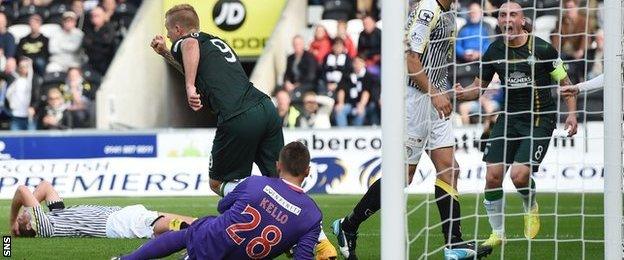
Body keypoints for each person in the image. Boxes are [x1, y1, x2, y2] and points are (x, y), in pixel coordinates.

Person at [332, 0, 492, 259]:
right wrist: (434, 93)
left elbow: (436, 58)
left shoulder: (450, 9)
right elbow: (410, 57)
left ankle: (455, 245)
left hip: (434, 95)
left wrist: (447, 89)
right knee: (403, 176)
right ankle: (347, 226)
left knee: (449, 169)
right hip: (415, 98)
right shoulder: (428, 9)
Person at [455, 0, 578, 248]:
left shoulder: (543, 49)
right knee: (492, 176)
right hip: (508, 118)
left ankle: (530, 204)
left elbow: (566, 84)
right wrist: (461, 93)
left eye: (513, 15)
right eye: (502, 15)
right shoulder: (494, 51)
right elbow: (479, 88)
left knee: (519, 176)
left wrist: (572, 114)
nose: (507, 19)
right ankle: (498, 233)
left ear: (522, 21)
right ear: (498, 20)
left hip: (539, 120)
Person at [150, 4, 283, 197]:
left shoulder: (185, 41)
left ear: (178, 29)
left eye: (169, 30)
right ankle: (305, 224)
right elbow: (192, 68)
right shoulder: (214, 42)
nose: (168, 36)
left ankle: (254, 206)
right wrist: (164, 52)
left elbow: (189, 45)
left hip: (238, 116)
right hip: (265, 108)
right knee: (279, 178)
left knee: (218, 182)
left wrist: (189, 87)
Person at [117, 142, 323, 260]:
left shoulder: (255, 183)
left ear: (278, 165)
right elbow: (303, 258)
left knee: (195, 228)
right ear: (307, 171)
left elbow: (223, 206)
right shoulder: (313, 216)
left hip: (212, 245)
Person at [9, 180, 196, 238]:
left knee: (188, 220)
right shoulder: (45, 227)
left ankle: (210, 224)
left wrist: (17, 221)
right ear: (31, 225)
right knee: (158, 223)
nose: (22, 215)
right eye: (23, 220)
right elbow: (22, 190)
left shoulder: (56, 214)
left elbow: (44, 187)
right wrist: (13, 224)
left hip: (120, 215)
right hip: (116, 224)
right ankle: (192, 230)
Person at [283, 35, 318, 102]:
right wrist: (287, 82)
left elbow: (311, 76)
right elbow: (286, 73)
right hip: (292, 85)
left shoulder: (309, 57)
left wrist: (297, 85)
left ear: (303, 44)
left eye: (299, 44)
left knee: (295, 94)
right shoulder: (290, 58)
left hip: (307, 84)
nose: (297, 46)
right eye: (295, 44)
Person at [5, 58, 35, 130]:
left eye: (25, 66)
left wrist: (34, 107)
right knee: (14, 139)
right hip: (16, 115)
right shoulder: (13, 80)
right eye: (21, 66)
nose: (23, 68)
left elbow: (36, 95)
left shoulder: (34, 80)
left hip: (29, 117)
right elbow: (7, 95)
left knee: (31, 140)